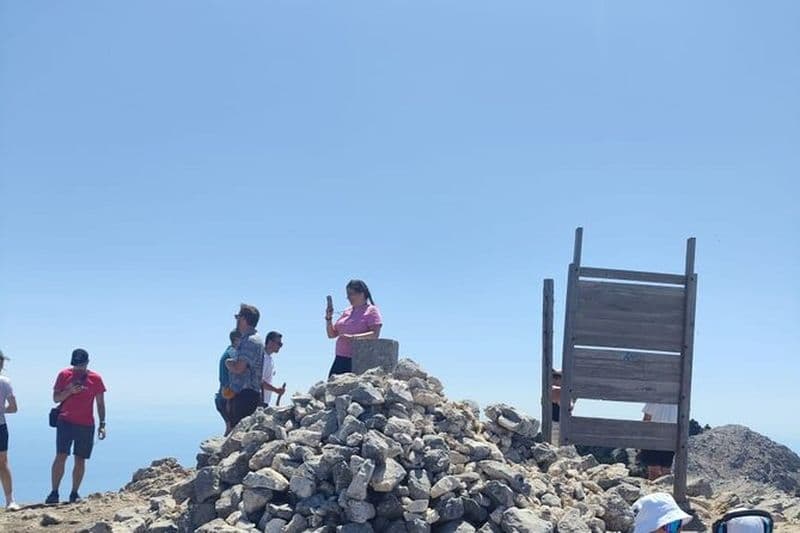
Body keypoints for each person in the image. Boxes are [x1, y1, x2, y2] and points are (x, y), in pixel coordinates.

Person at [46, 348, 107, 504]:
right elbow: (55, 398)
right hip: (65, 421)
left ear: (87, 363)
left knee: (80, 459)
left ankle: (74, 493)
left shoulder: (96, 379)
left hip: (86, 424)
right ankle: (54, 493)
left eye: (81, 364)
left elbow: (100, 404)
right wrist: (69, 391)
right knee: (61, 456)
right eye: (75, 364)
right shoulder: (64, 375)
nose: (78, 368)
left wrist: (102, 424)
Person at [325, 279, 383, 377]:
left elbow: (375, 334)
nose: (348, 297)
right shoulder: (347, 311)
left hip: (357, 359)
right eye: (347, 294)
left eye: (351, 294)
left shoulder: (371, 310)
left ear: (362, 293)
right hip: (340, 358)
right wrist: (328, 318)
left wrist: (352, 337)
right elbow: (331, 335)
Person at [225, 304, 264, 428]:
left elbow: (239, 368)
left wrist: (228, 363)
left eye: (238, 317)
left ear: (244, 319)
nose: (236, 320)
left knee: (239, 438)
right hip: (249, 395)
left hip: (245, 396)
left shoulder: (249, 341)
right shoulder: (253, 339)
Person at [0, 350, 19, 511]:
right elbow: (13, 408)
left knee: (3, 463)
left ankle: (10, 500)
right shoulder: (5, 382)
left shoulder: (5, 382)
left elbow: (14, 408)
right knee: (3, 463)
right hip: (1, 426)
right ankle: (10, 501)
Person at [640, 403, 678, 480]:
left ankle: (656, 490)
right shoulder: (679, 399)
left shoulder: (655, 397)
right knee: (664, 472)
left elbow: (646, 418)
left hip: (656, 437)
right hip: (667, 437)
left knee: (656, 472)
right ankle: (662, 490)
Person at [216, 330, 241, 436]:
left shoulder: (228, 351)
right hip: (228, 393)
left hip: (223, 394)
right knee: (232, 427)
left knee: (230, 427)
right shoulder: (232, 353)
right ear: (236, 340)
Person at [261, 331, 286, 407]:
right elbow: (259, 381)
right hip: (259, 401)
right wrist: (276, 390)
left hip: (264, 401)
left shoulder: (270, 359)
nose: (280, 346)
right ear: (270, 342)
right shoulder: (263, 358)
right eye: (279, 344)